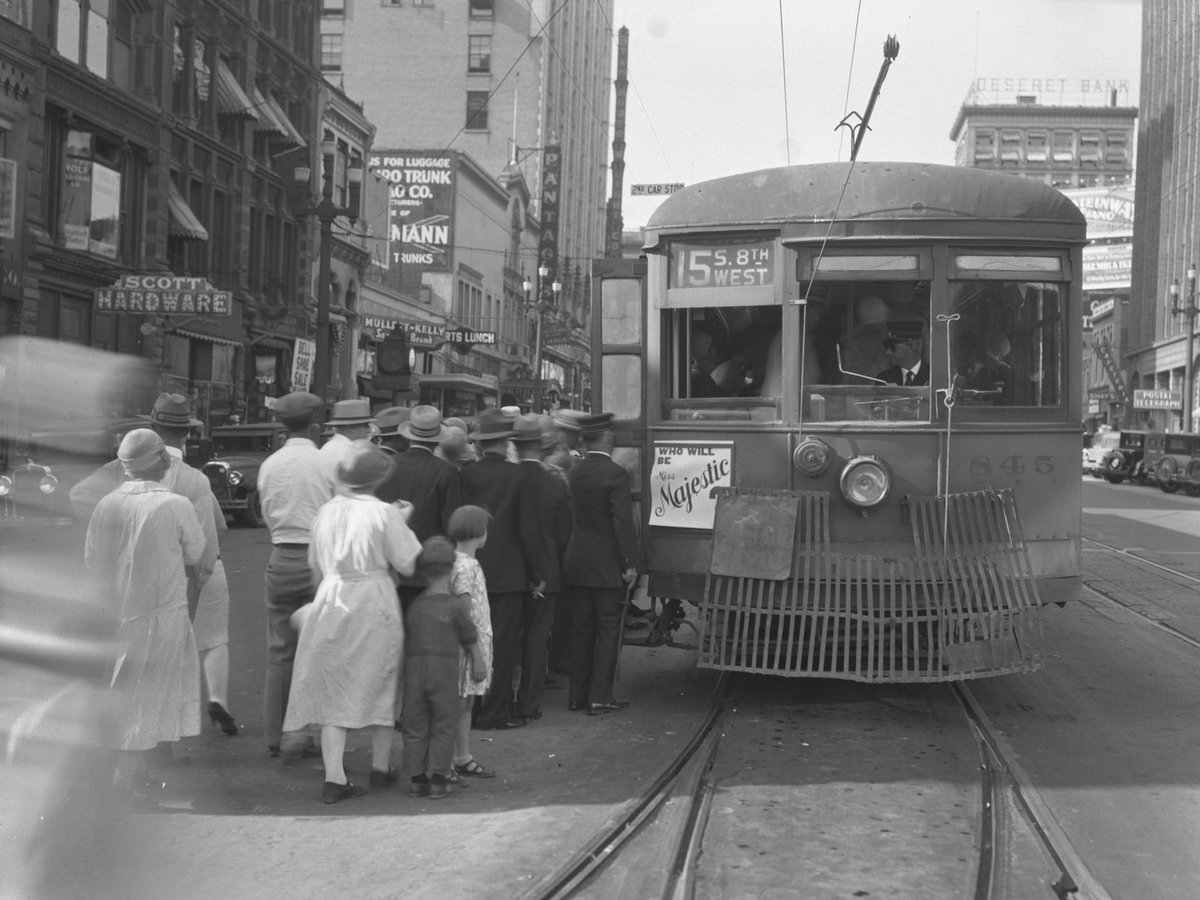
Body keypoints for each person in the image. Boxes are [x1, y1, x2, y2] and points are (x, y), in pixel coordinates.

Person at [71, 392, 238, 741]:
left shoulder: (122, 468)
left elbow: (80, 497)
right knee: (196, 649)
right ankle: (163, 740)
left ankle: (138, 740)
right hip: (184, 580)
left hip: (135, 580)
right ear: (187, 432)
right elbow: (213, 534)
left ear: (153, 424)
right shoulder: (193, 479)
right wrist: (197, 581)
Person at [283, 441, 422, 803]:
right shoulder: (383, 513)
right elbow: (407, 563)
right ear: (378, 479)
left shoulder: (326, 511)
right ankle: (380, 767)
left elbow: (315, 564)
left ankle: (335, 777)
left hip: (332, 596)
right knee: (383, 678)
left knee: (335, 683)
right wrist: (402, 521)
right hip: (374, 600)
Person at [84, 429, 205, 798]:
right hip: (162, 615)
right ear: (163, 461)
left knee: (125, 694)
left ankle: (135, 779)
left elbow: (92, 558)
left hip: (117, 615)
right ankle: (123, 789)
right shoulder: (175, 504)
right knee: (148, 700)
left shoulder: (107, 504)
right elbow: (196, 553)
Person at [256, 391, 336, 759]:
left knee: (279, 652)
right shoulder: (324, 463)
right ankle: (313, 734)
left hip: (280, 557)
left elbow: (265, 511)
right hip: (317, 560)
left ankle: (278, 735)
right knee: (320, 648)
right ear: (315, 424)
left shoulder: (269, 464)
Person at [458, 409, 545, 730]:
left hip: (473, 569)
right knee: (504, 646)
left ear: (481, 444)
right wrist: (537, 574)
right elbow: (528, 531)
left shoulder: (466, 475)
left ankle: (473, 709)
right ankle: (496, 712)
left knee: (474, 643)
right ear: (506, 441)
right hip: (510, 576)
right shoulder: (519, 476)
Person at [563, 412, 639, 716]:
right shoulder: (616, 474)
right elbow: (622, 524)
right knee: (608, 631)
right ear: (607, 437)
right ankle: (600, 697)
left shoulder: (575, 472)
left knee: (581, 631)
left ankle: (576, 696)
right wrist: (630, 563)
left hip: (577, 562)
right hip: (607, 566)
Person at [402, 537, 486, 799]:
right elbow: (469, 635)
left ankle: (417, 780)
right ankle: (439, 779)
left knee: (415, 725)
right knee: (443, 723)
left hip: (415, 669)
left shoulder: (415, 605)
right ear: (451, 569)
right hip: (444, 669)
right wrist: (478, 661)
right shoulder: (454, 606)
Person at [511, 414, 572, 722]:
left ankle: (501, 698)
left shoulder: (505, 478)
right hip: (547, 572)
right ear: (542, 446)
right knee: (537, 640)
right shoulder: (555, 483)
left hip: (509, 573)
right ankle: (529, 703)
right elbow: (564, 535)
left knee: (508, 638)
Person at [377, 405, 463, 607]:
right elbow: (451, 523)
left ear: (409, 436)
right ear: (437, 440)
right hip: (429, 569)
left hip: (390, 566)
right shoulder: (446, 472)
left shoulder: (389, 464)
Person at [447, 505, 497, 779]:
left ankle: (462, 756)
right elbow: (465, 612)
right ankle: (457, 758)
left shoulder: (455, 562)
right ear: (479, 533)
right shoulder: (468, 566)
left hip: (465, 645)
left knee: (464, 704)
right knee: (461, 704)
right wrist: (476, 654)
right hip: (468, 648)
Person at [320, 398, 375, 485]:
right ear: (352, 428)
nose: (368, 429)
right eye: (366, 425)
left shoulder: (329, 447)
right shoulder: (349, 453)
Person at [876, 321, 930, 386]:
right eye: (886, 347)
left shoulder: (933, 376)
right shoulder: (884, 378)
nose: (888, 352)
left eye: (892, 348)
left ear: (911, 346)